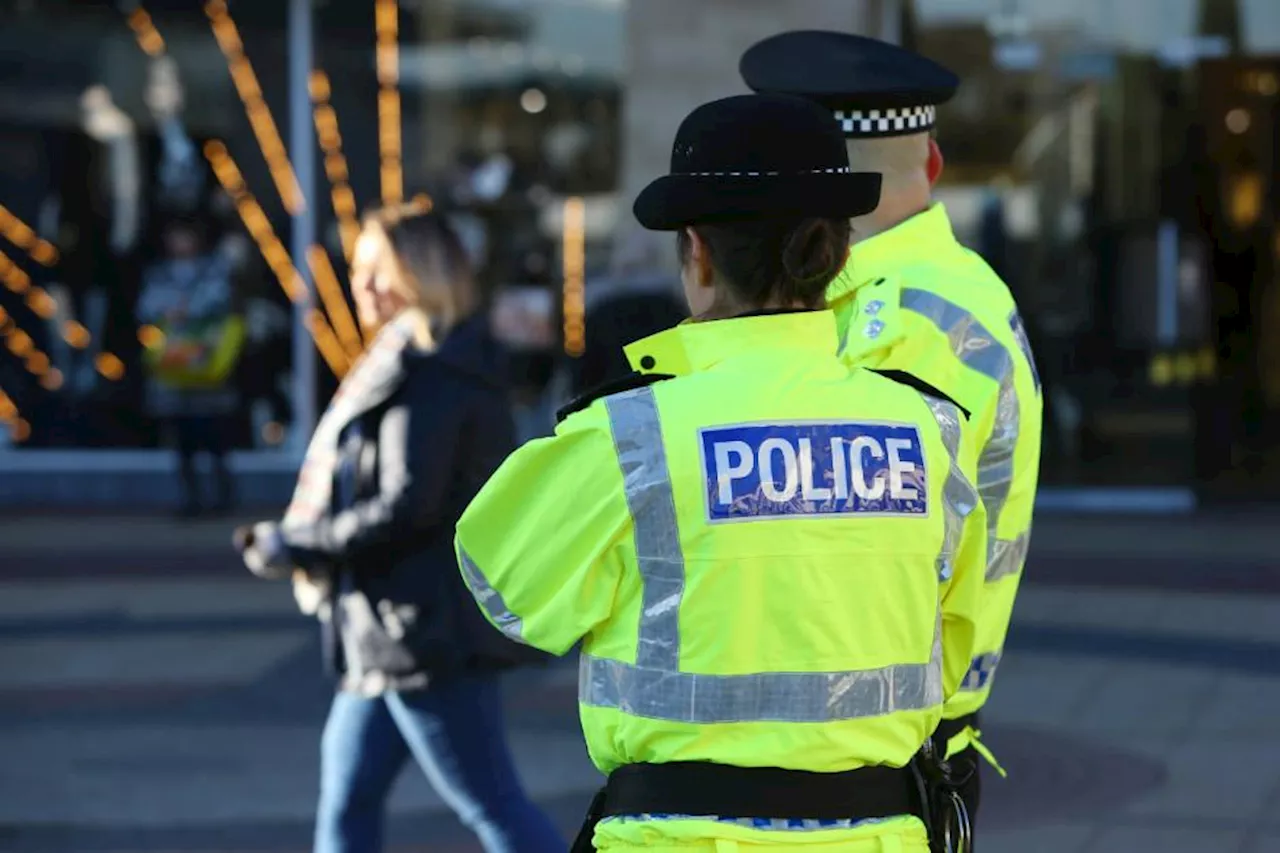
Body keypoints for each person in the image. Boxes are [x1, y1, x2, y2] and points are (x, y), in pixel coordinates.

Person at [455, 93, 988, 853]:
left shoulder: (632, 432)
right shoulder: (932, 428)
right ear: (838, 252)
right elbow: (957, 635)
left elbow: (505, 589)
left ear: (698, 254)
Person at [740, 30, 1046, 838]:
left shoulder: (886, 325)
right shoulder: (960, 288)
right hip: (903, 736)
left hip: (858, 751)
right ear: (934, 163)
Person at [233, 203, 564, 853]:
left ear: (421, 272)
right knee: (349, 802)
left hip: (420, 633)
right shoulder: (415, 360)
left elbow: (408, 506)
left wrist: (293, 542)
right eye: (358, 272)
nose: (360, 288)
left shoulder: (436, 376)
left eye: (374, 271)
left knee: (492, 807)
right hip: (392, 630)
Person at [136, 216, 243, 516]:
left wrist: (189, 309)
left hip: (205, 365)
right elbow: (145, 306)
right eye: (175, 236)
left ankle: (223, 496)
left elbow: (221, 300)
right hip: (174, 367)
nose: (180, 243)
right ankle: (191, 497)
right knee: (182, 438)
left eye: (185, 236)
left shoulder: (213, 270)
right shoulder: (158, 273)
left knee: (213, 435)